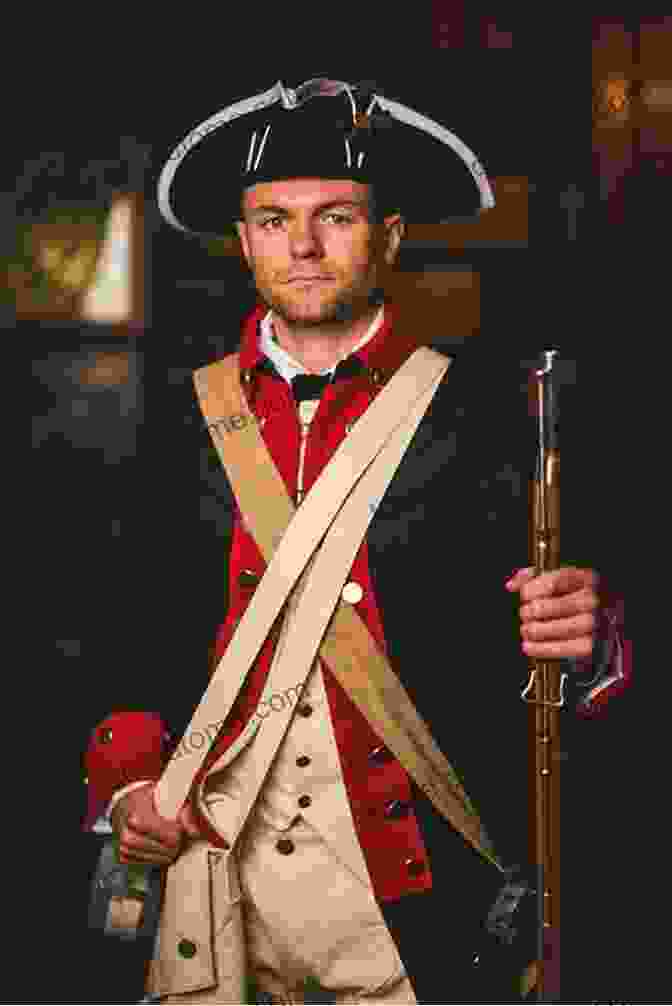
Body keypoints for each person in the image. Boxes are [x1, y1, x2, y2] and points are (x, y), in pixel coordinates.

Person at [83, 78, 629, 1004]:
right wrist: (132, 779)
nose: (300, 246)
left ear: (390, 236)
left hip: (417, 896)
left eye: (335, 215)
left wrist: (594, 634)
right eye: (271, 220)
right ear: (246, 241)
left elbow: (568, 664)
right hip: (216, 899)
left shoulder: (500, 412)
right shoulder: (178, 416)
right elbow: (125, 620)